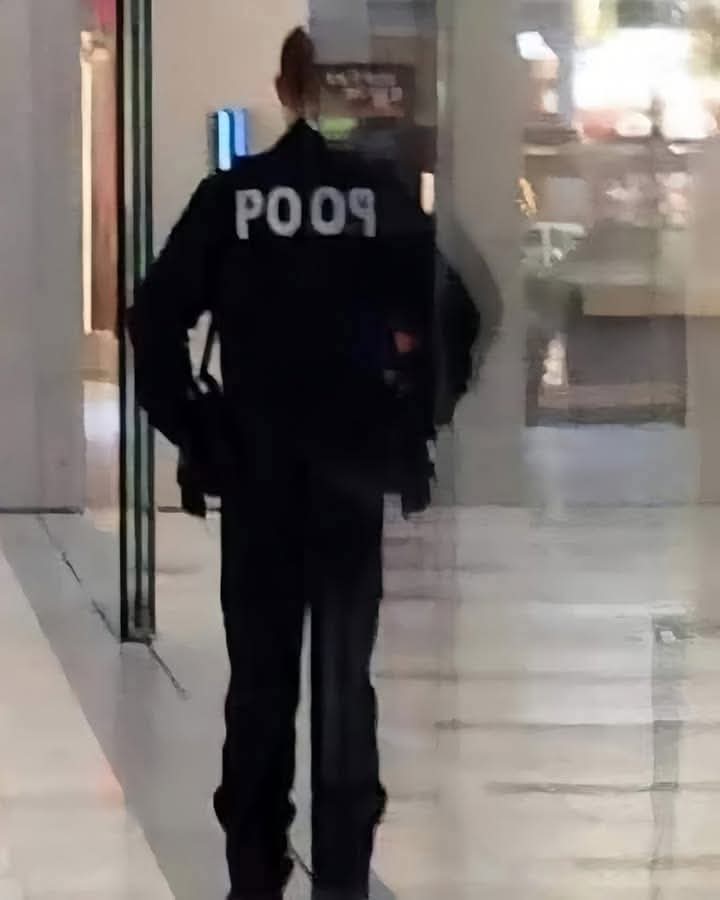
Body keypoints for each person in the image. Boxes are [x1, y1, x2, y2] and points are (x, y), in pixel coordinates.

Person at [130, 27, 474, 900]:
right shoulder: (379, 198)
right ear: (333, 90)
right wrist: (413, 422)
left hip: (259, 479)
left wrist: (196, 431)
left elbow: (155, 317)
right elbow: (461, 314)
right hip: (350, 480)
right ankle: (346, 869)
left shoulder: (235, 195)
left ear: (284, 91)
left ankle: (255, 864)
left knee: (261, 680)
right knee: (344, 682)